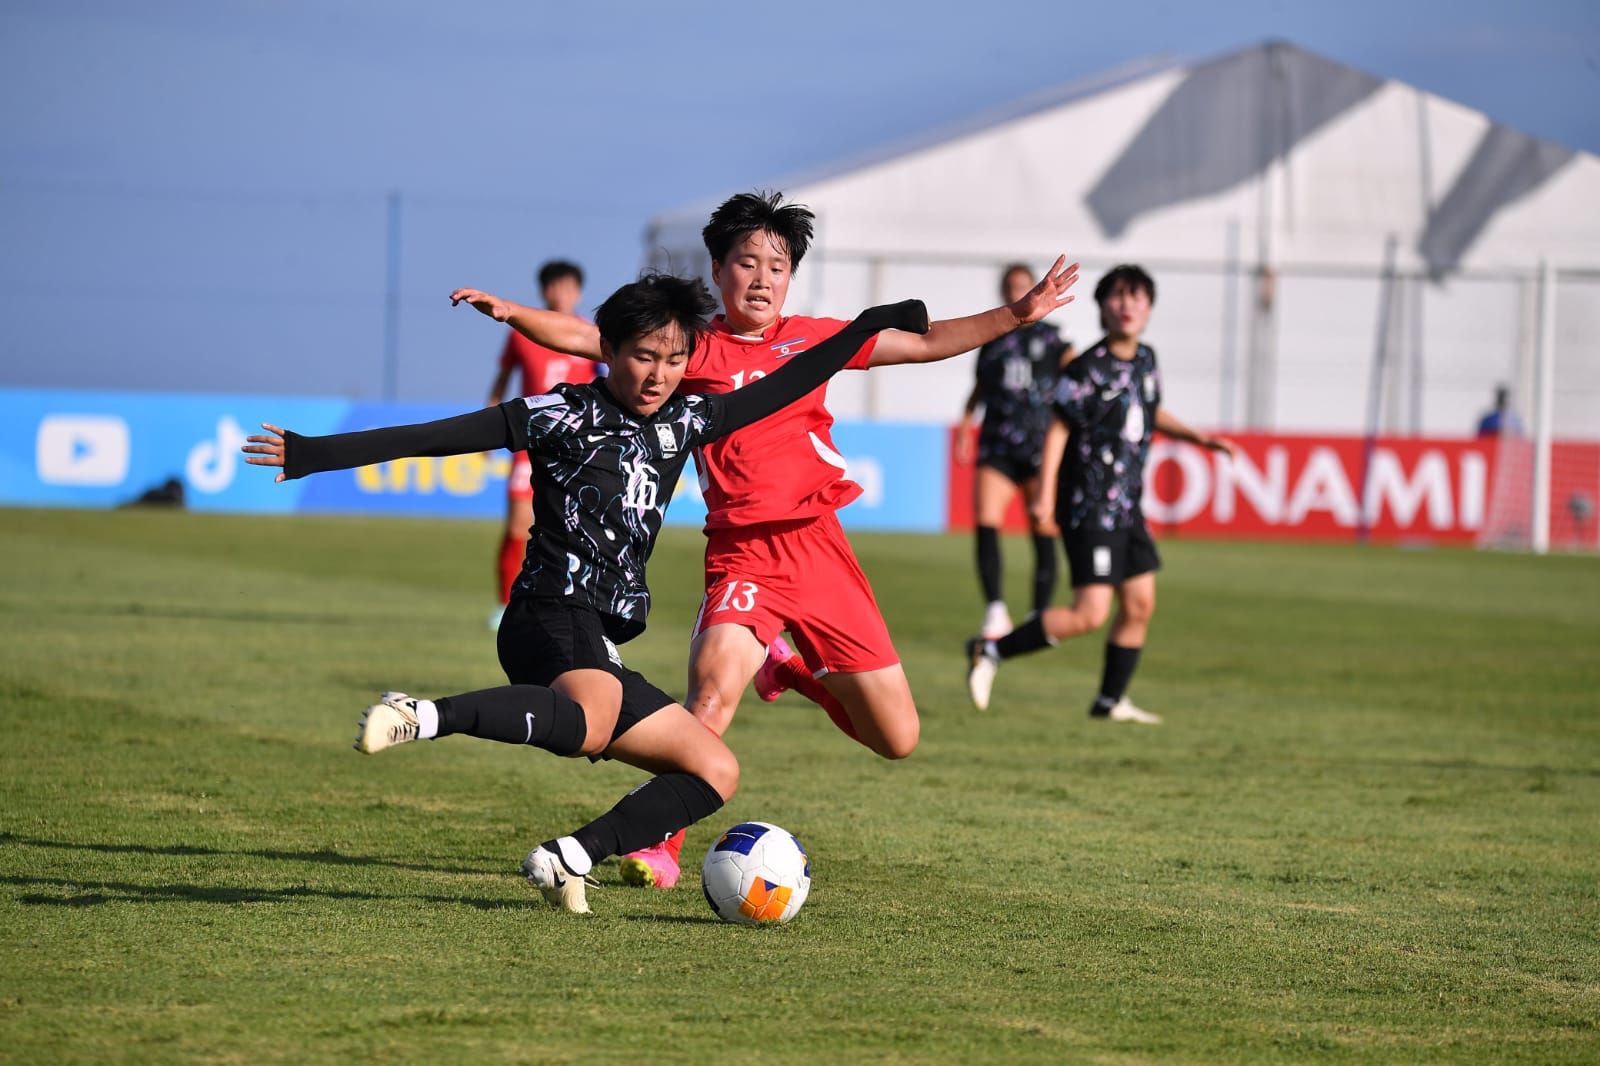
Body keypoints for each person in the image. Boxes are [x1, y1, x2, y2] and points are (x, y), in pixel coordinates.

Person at [242, 273, 930, 913]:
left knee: (713, 768)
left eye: (672, 358)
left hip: (598, 638)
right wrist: (312, 455)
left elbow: (791, 379)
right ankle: (419, 714)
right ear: (607, 349)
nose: (658, 373)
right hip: (548, 615)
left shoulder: (684, 423)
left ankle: (570, 857)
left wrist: (867, 325)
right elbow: (439, 437)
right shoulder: (562, 413)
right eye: (641, 355)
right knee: (593, 717)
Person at [450, 190, 1078, 890]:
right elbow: (590, 338)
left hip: (821, 552)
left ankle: (790, 670)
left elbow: (928, 343)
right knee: (711, 697)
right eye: (745, 262)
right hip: (744, 554)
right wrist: (513, 314)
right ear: (717, 270)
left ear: (790, 276)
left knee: (897, 739)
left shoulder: (816, 339)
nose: (761, 277)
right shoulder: (694, 347)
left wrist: (1019, 314)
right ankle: (661, 845)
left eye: (776, 265)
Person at [964, 264, 1233, 723]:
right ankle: (992, 649)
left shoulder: (1146, 359)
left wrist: (1198, 438)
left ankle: (1110, 702)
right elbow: (1057, 430)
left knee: (1140, 603)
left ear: (1149, 308)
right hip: (1089, 508)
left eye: (1137, 297)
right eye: (1118, 297)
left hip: (1128, 506)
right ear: (1102, 307)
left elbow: (1147, 409)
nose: (1127, 305)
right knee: (1090, 613)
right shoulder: (1086, 369)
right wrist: (1046, 494)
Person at [954, 262, 1076, 640]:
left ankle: (1039, 613)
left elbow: (1078, 382)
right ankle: (996, 611)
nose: (1017, 292)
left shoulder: (1055, 340)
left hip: (1041, 446)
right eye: (1011, 287)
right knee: (986, 520)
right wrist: (965, 421)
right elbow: (979, 388)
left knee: (1043, 527)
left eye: (1024, 286)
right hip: (998, 443)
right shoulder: (991, 339)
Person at [484, 260, 600, 630]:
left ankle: (578, 602)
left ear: (578, 292)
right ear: (544, 291)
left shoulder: (591, 335)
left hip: (575, 447)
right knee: (518, 525)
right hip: (530, 442)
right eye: (555, 287)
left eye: (569, 288)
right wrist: (488, 425)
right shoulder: (522, 332)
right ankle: (505, 605)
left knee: (578, 528)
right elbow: (501, 380)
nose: (562, 294)